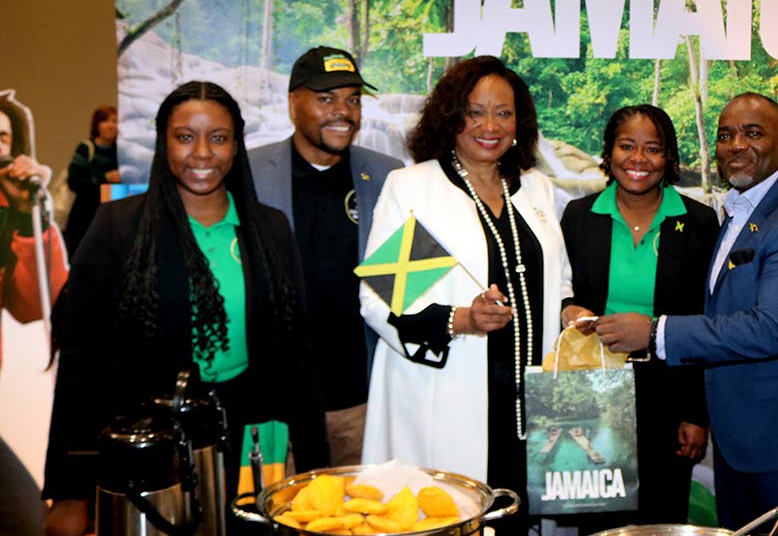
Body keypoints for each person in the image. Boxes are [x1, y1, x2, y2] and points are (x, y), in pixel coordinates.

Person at [43, 82, 329, 536]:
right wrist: (68, 489)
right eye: (184, 137)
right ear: (163, 143)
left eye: (218, 137)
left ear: (236, 145)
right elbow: (80, 362)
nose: (202, 153)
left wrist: (318, 466)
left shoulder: (270, 229)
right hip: (149, 451)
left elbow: (298, 354)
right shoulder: (119, 226)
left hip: (252, 444)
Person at [596, 92, 778, 536]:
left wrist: (655, 333)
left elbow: (770, 328)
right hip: (742, 442)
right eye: (726, 135)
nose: (736, 145)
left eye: (753, 134)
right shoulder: (744, 209)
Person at [360, 56, 569, 533]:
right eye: (475, 112)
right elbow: (380, 302)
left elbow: (556, 280)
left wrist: (568, 306)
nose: (489, 126)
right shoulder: (420, 189)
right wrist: (461, 320)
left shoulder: (535, 189)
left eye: (504, 112)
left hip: (529, 411)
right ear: (451, 117)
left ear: (521, 121)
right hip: (451, 403)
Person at [560, 105, 716, 526]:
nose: (638, 160)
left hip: (668, 392)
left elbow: (705, 321)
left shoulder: (698, 222)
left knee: (661, 518)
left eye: (653, 149)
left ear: (669, 158)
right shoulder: (578, 217)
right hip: (593, 387)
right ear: (609, 153)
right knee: (596, 518)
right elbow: (560, 292)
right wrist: (567, 309)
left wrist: (695, 414)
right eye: (627, 146)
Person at [249, 46, 401, 465]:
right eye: (326, 98)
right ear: (293, 103)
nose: (344, 111)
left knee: (359, 525)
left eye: (353, 99)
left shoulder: (389, 175)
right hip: (274, 406)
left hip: (360, 403)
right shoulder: (248, 173)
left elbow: (404, 290)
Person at [1, 91, 68, 536]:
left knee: (27, 519)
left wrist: (26, 219)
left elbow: (34, 306)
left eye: (3, 137)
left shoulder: (14, 209)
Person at [64, 104, 120, 257]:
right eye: (106, 121)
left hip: (111, 217)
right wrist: (104, 178)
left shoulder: (122, 152)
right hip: (84, 216)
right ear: (97, 124)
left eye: (115, 121)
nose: (111, 125)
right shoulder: (86, 148)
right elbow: (74, 181)